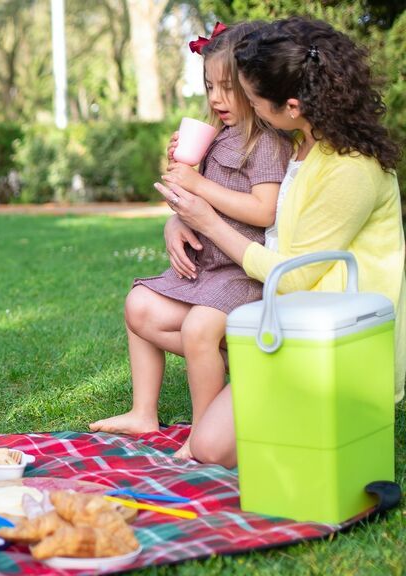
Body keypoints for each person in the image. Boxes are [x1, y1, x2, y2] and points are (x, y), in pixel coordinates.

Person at [158, 17, 405, 467]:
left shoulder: (350, 169)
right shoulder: (302, 142)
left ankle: (297, 409)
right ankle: (263, 393)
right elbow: (259, 219)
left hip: (340, 345)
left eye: (253, 100)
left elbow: (293, 278)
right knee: (169, 328)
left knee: (210, 448)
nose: (245, 108)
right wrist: (181, 220)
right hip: (291, 322)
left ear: (292, 106)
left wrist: (209, 223)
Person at [90, 22, 292, 459]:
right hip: (208, 269)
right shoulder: (214, 136)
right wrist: (176, 210)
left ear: (253, 85)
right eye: (209, 87)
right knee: (138, 304)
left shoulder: (266, 143)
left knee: (200, 328)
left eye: (228, 87)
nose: (217, 98)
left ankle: (203, 432)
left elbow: (264, 210)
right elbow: (192, 204)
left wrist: (199, 186)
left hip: (243, 272)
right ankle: (143, 411)